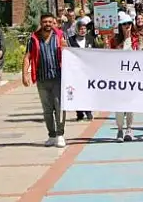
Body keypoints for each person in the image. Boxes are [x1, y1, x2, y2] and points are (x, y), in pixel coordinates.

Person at [22, 13, 68, 148]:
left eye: (50, 21)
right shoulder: (33, 38)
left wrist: (65, 47)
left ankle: (60, 135)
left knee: (59, 107)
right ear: (41, 23)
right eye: (45, 22)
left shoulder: (60, 36)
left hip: (58, 78)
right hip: (42, 79)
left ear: (53, 22)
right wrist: (25, 74)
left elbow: (70, 54)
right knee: (47, 109)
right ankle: (52, 135)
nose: (47, 24)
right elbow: (27, 57)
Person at [110, 12, 142, 142]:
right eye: (124, 24)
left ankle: (129, 128)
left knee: (130, 105)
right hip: (118, 77)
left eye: (129, 23)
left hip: (132, 78)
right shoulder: (114, 40)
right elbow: (110, 56)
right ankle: (119, 130)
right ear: (120, 26)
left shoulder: (136, 39)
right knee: (119, 106)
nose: (127, 26)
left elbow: (141, 56)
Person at [68, 22, 95, 121]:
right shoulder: (71, 40)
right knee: (77, 91)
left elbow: (96, 52)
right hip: (76, 70)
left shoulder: (90, 39)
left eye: (84, 29)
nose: (82, 31)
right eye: (80, 29)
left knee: (87, 91)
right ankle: (79, 113)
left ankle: (88, 112)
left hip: (88, 70)